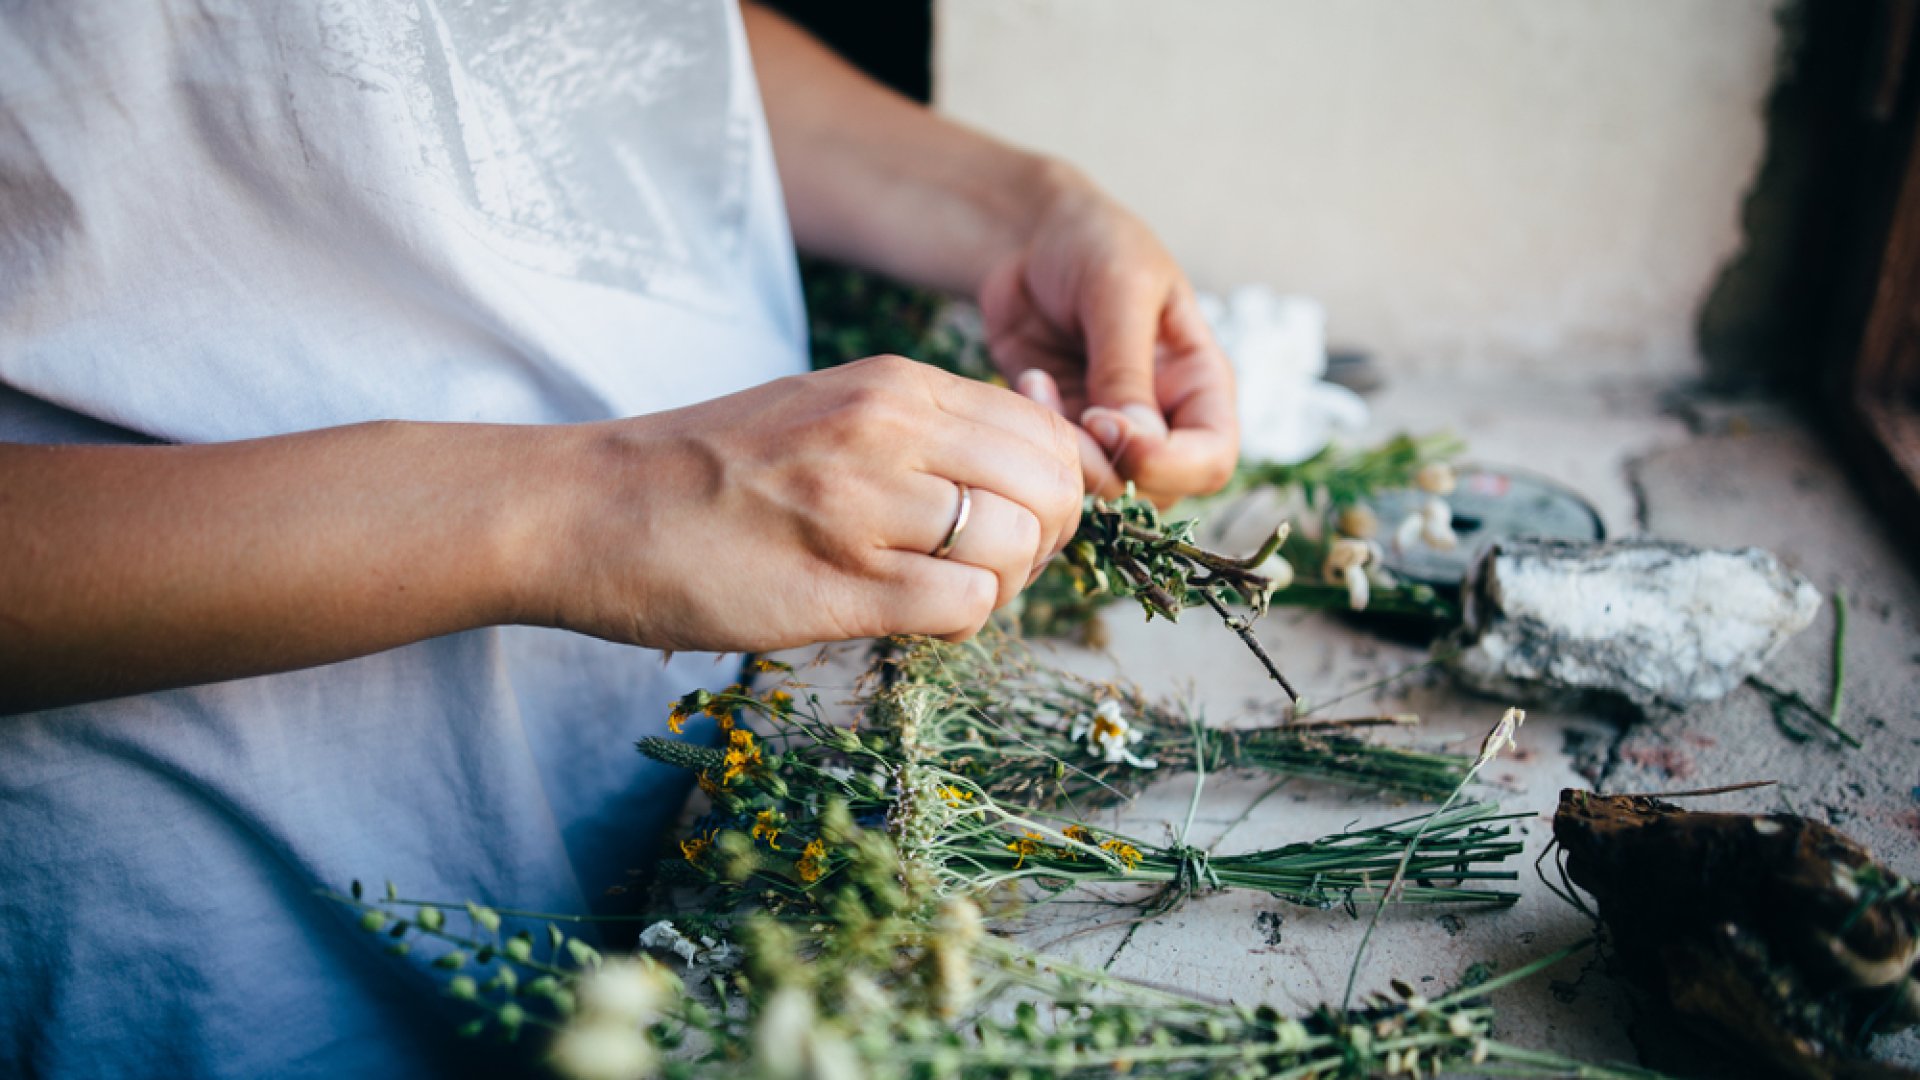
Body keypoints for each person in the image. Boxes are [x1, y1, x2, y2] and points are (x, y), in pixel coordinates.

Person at [0, 2, 1237, 1075]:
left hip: (733, 788)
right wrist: (605, 503)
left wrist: (1022, 214)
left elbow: (591, 41)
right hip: (237, 912)